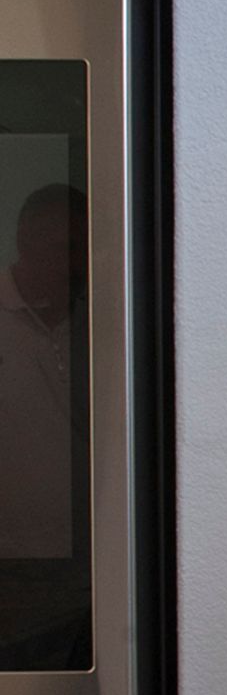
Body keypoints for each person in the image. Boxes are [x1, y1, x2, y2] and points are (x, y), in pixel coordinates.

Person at [0, 182, 89, 663]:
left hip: (91, 568)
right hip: (12, 570)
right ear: (25, 241)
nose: (78, 265)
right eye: (67, 248)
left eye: (86, 249)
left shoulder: (102, 326)